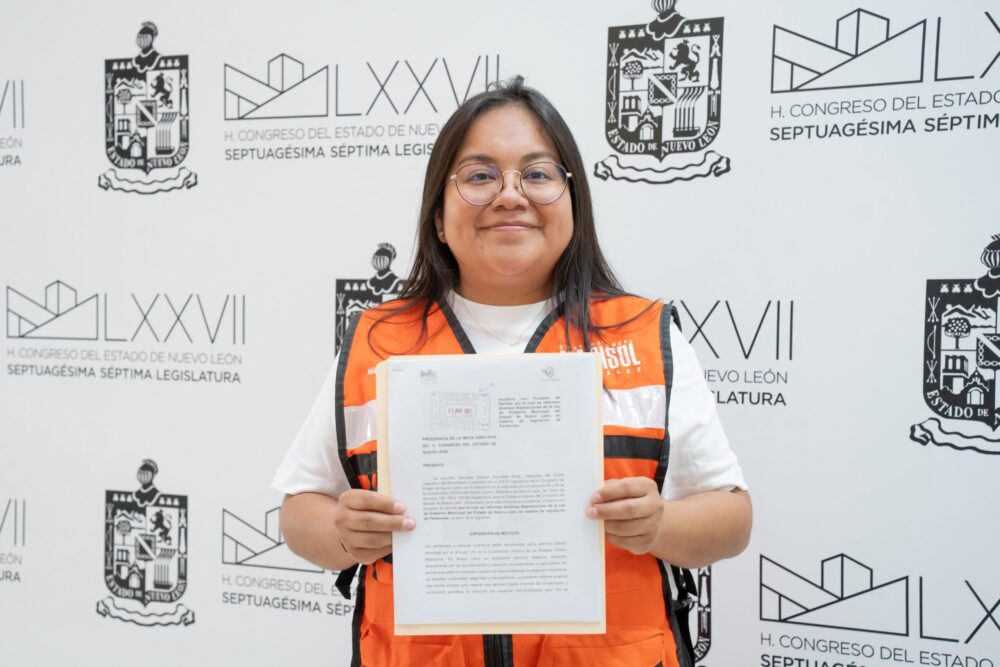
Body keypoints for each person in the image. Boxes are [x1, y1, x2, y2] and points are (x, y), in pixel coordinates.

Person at [273, 76, 751, 667]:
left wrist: (660, 525)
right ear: (439, 216)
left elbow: (732, 520)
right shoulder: (377, 342)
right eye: (479, 176)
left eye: (538, 174)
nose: (510, 195)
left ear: (573, 202)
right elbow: (300, 511)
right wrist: (345, 534)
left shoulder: (645, 335)